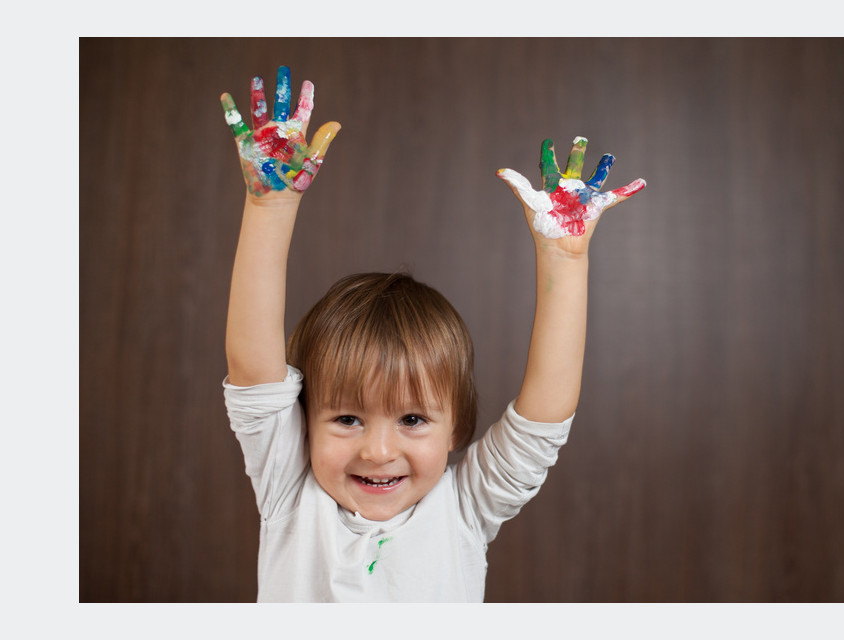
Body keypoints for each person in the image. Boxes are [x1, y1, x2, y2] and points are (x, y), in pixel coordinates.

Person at [220, 65, 645, 602]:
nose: (377, 450)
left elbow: (544, 414)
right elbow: (254, 368)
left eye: (413, 419)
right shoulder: (289, 487)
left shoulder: (465, 505)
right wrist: (270, 204)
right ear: (301, 420)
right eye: (347, 418)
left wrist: (564, 257)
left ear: (455, 430)